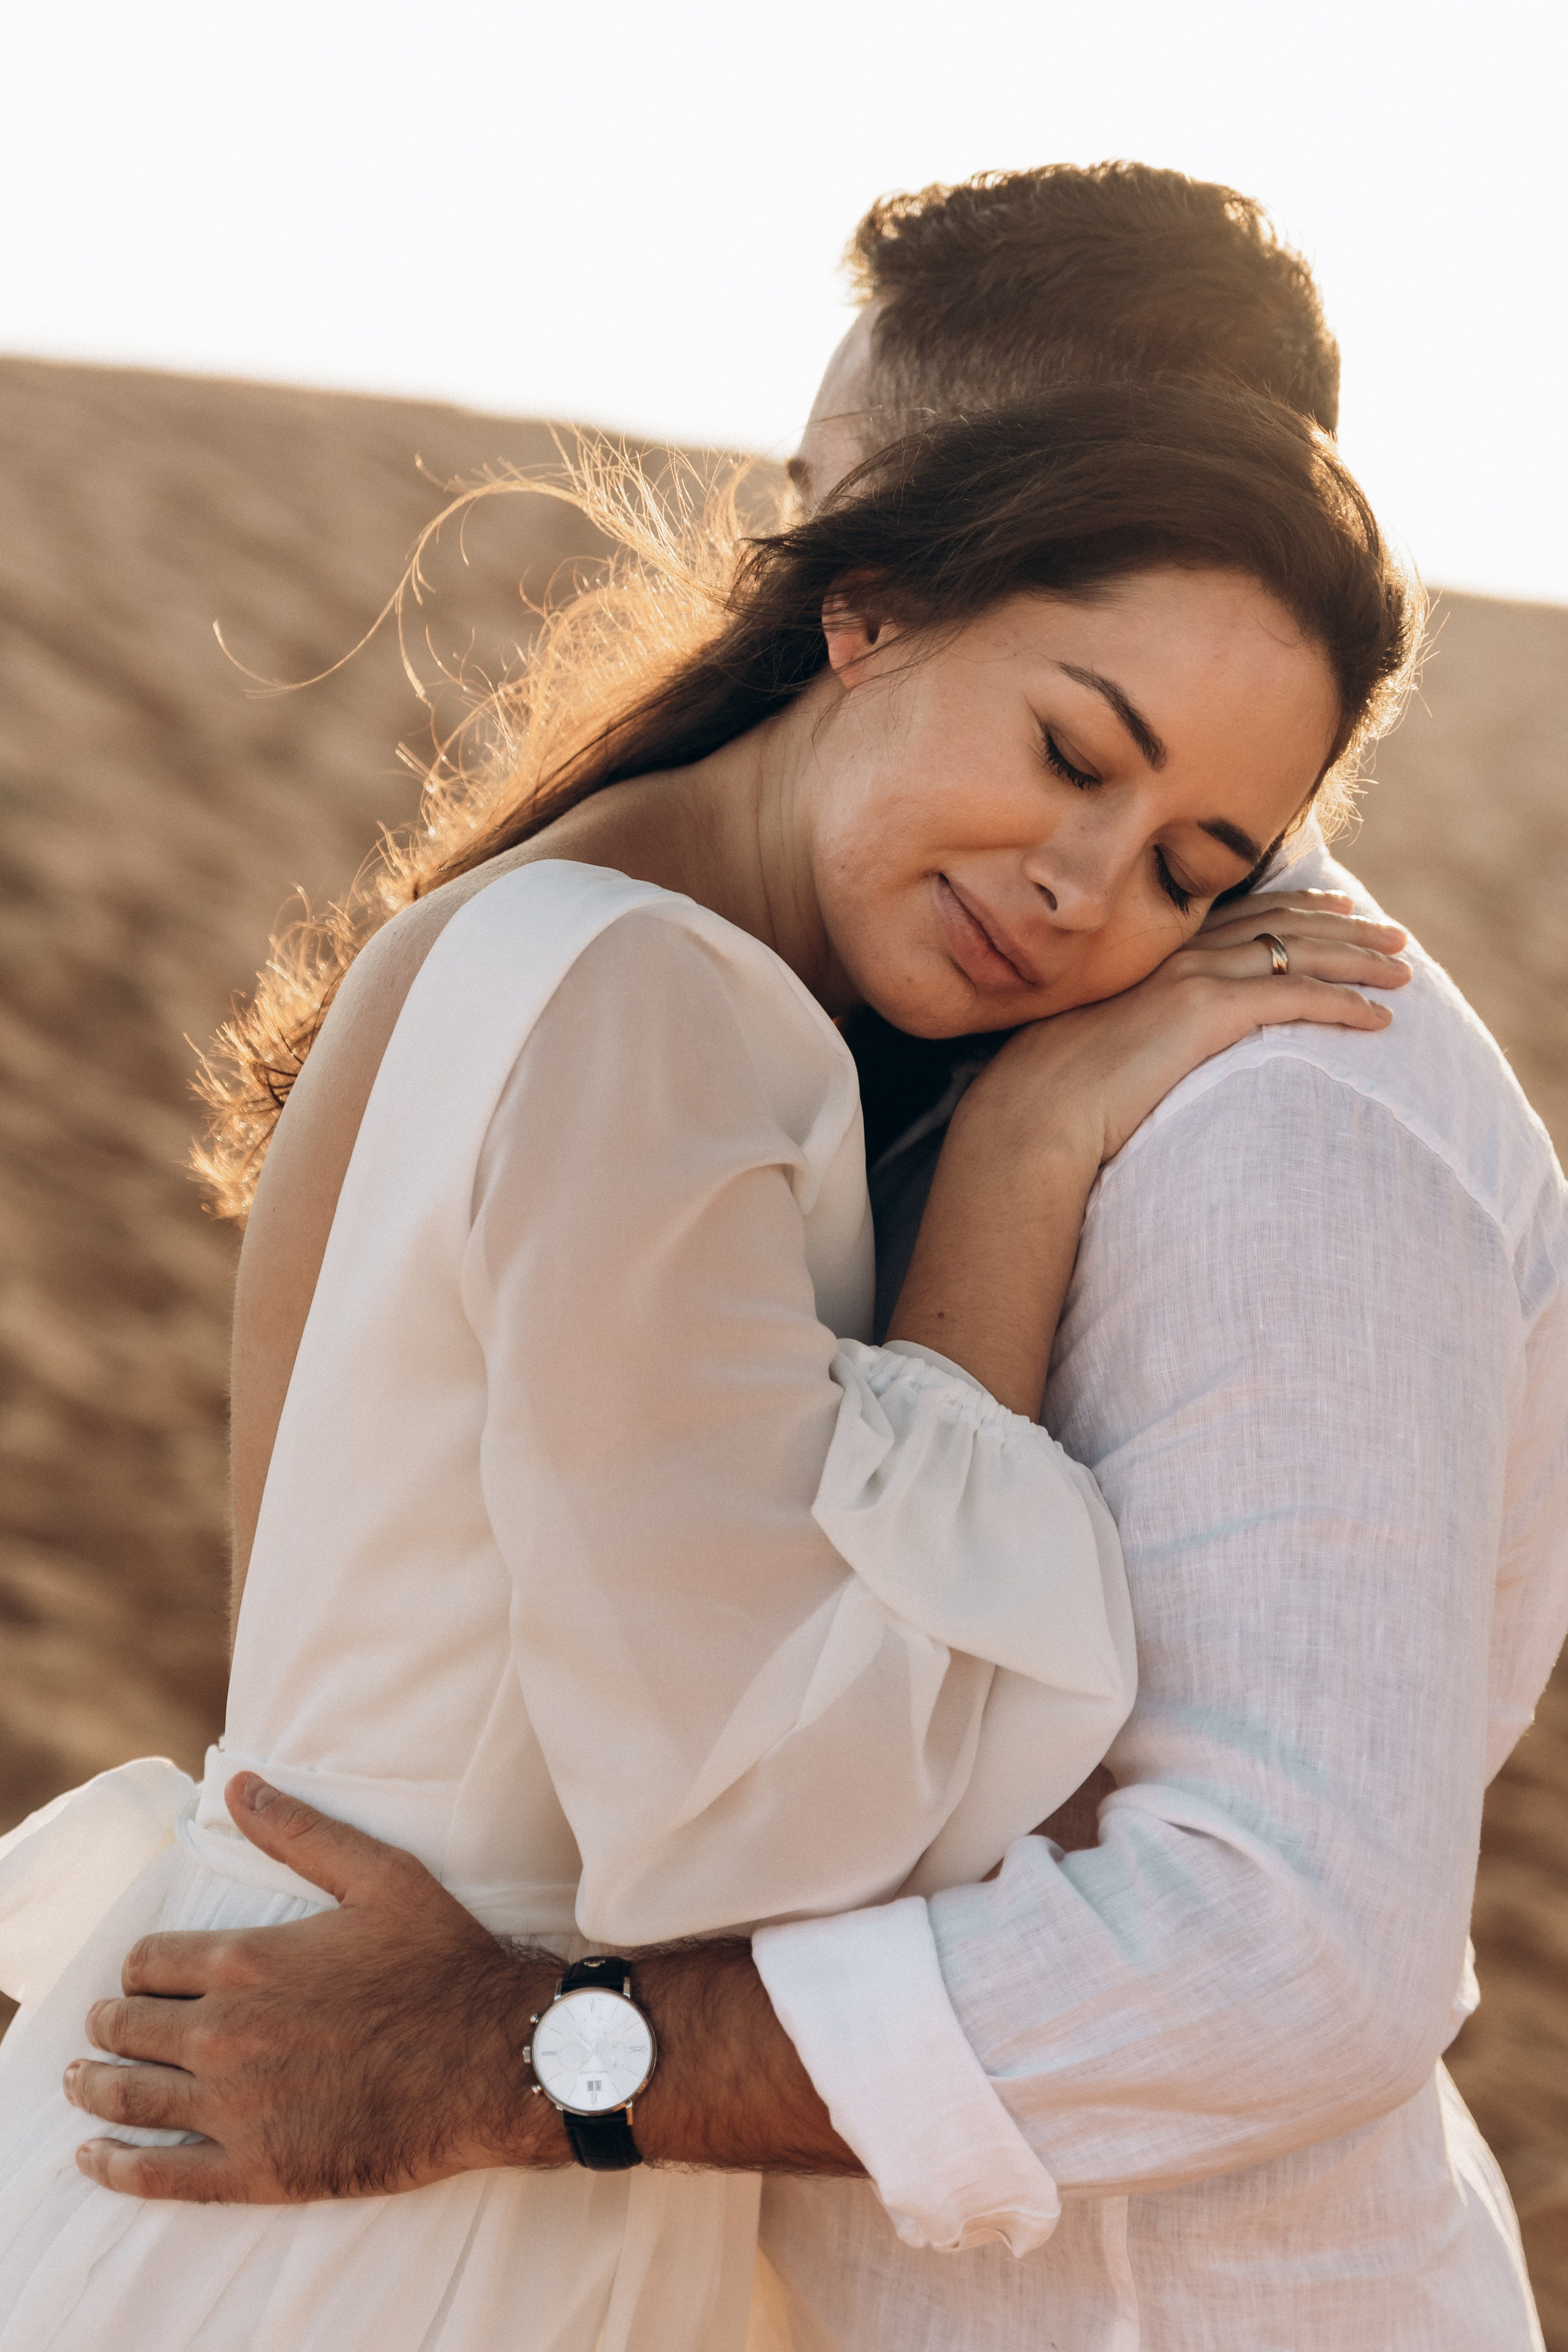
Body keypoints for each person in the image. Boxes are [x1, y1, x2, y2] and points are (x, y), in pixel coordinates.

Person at [17, 165, 1561, 2351]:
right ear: (885, 600)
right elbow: (756, 1800)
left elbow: (1287, 1942)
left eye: (1188, 849)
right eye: (1064, 749)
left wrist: (523, 2055)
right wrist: (1023, 1161)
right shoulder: (672, 999)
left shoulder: (1273, 1084)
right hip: (416, 2178)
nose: (1092, 884)